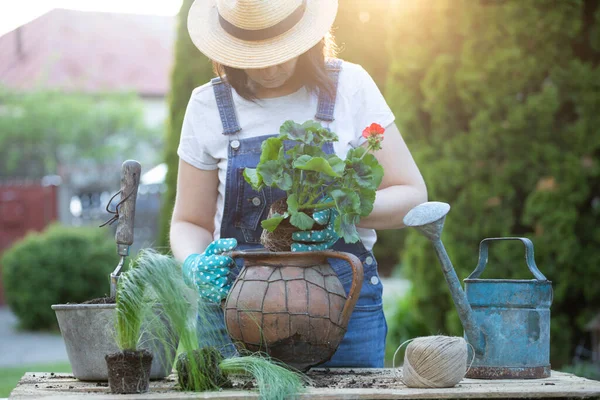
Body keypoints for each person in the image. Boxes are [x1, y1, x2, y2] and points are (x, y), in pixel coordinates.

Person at [170, 0, 427, 368]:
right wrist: (194, 263)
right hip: (235, 306)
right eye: (253, 54)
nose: (271, 67)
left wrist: (343, 214)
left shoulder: (349, 86)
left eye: (280, 50)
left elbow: (412, 196)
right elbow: (188, 222)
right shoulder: (207, 104)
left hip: (342, 304)